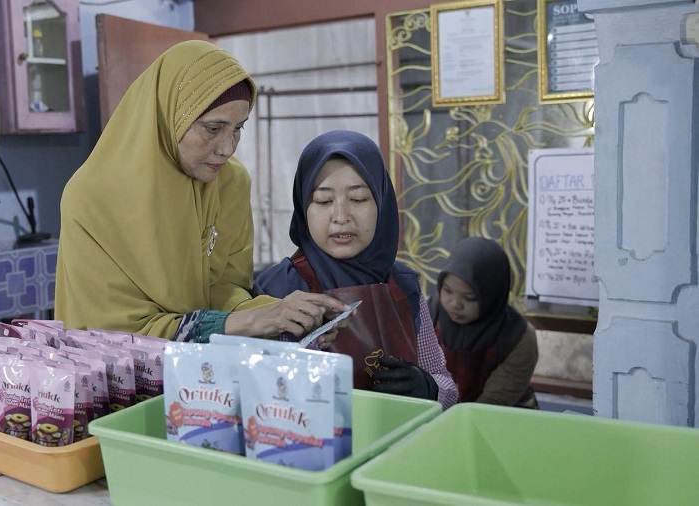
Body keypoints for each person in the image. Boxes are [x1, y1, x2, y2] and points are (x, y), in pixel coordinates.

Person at [54, 40, 349, 344]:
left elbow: (226, 290)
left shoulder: (230, 182)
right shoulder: (92, 197)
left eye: (238, 128)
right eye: (213, 128)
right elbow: (108, 333)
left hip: (207, 381)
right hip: (116, 382)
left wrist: (284, 316)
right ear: (171, 116)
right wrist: (245, 322)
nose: (227, 147)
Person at [253, 130, 458, 410]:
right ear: (303, 207)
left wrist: (428, 388)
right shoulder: (274, 289)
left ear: (381, 203)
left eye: (359, 199)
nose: (340, 216)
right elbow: (253, 392)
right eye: (324, 201)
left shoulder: (403, 285)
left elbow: (446, 385)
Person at [428, 236, 539, 408]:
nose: (454, 303)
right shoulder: (429, 313)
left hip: (498, 419)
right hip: (436, 413)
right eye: (447, 290)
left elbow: (493, 403)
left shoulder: (518, 337)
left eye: (469, 297)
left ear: (491, 296)